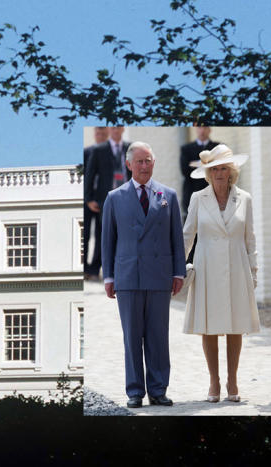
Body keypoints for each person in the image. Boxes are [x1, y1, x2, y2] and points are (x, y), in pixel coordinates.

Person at [101, 141, 185, 408]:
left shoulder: (168, 196)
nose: (144, 165)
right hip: (127, 277)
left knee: (158, 337)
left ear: (154, 162)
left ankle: (158, 390)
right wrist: (109, 277)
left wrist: (179, 272)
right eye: (139, 161)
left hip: (159, 277)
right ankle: (135, 391)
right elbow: (107, 241)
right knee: (132, 337)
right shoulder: (114, 198)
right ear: (128, 165)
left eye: (148, 160)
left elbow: (176, 238)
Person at [181, 144, 260, 403]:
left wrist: (254, 271)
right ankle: (214, 381)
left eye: (223, 168)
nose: (218, 172)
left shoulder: (245, 199)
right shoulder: (198, 198)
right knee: (209, 326)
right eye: (214, 168)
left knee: (236, 325)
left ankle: (233, 380)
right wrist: (177, 268)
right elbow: (187, 235)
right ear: (208, 172)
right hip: (206, 268)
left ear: (231, 172)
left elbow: (250, 238)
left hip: (237, 268)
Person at [84, 126, 130, 279]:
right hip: (102, 199)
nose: (115, 130)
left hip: (125, 198)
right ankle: (95, 269)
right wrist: (88, 198)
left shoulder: (130, 148)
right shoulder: (97, 150)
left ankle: (115, 268)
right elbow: (89, 175)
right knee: (102, 234)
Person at [83, 127, 109, 278]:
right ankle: (84, 268)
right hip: (87, 199)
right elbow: (86, 177)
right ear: (95, 135)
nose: (101, 137)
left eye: (104, 134)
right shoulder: (87, 152)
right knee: (84, 234)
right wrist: (88, 199)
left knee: (101, 235)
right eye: (98, 134)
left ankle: (94, 270)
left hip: (103, 199)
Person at [179, 126, 219, 220]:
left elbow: (220, 170)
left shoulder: (217, 148)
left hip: (213, 194)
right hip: (192, 192)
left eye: (205, 127)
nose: (202, 130)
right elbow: (185, 171)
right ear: (196, 129)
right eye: (199, 127)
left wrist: (196, 165)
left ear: (210, 129)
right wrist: (208, 165)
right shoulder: (186, 149)